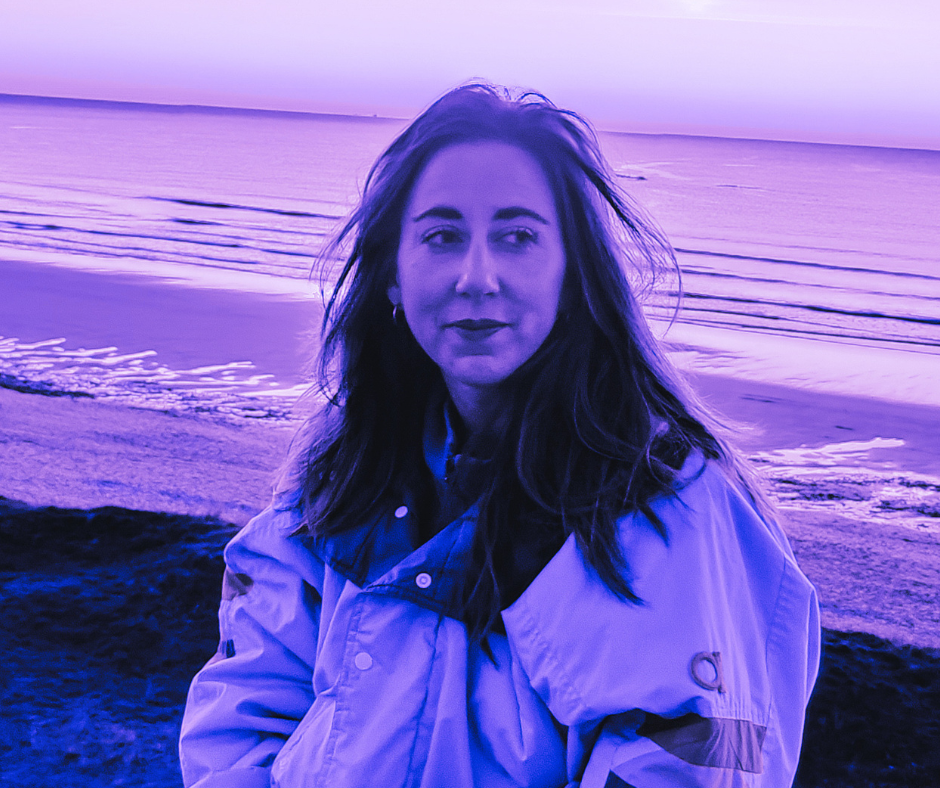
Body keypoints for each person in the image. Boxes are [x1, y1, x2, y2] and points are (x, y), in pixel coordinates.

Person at [179, 83, 820, 788]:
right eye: (442, 236)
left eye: (518, 237)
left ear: (572, 274)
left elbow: (702, 762)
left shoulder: (667, 501)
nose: (477, 277)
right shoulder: (342, 473)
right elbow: (242, 703)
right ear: (393, 275)